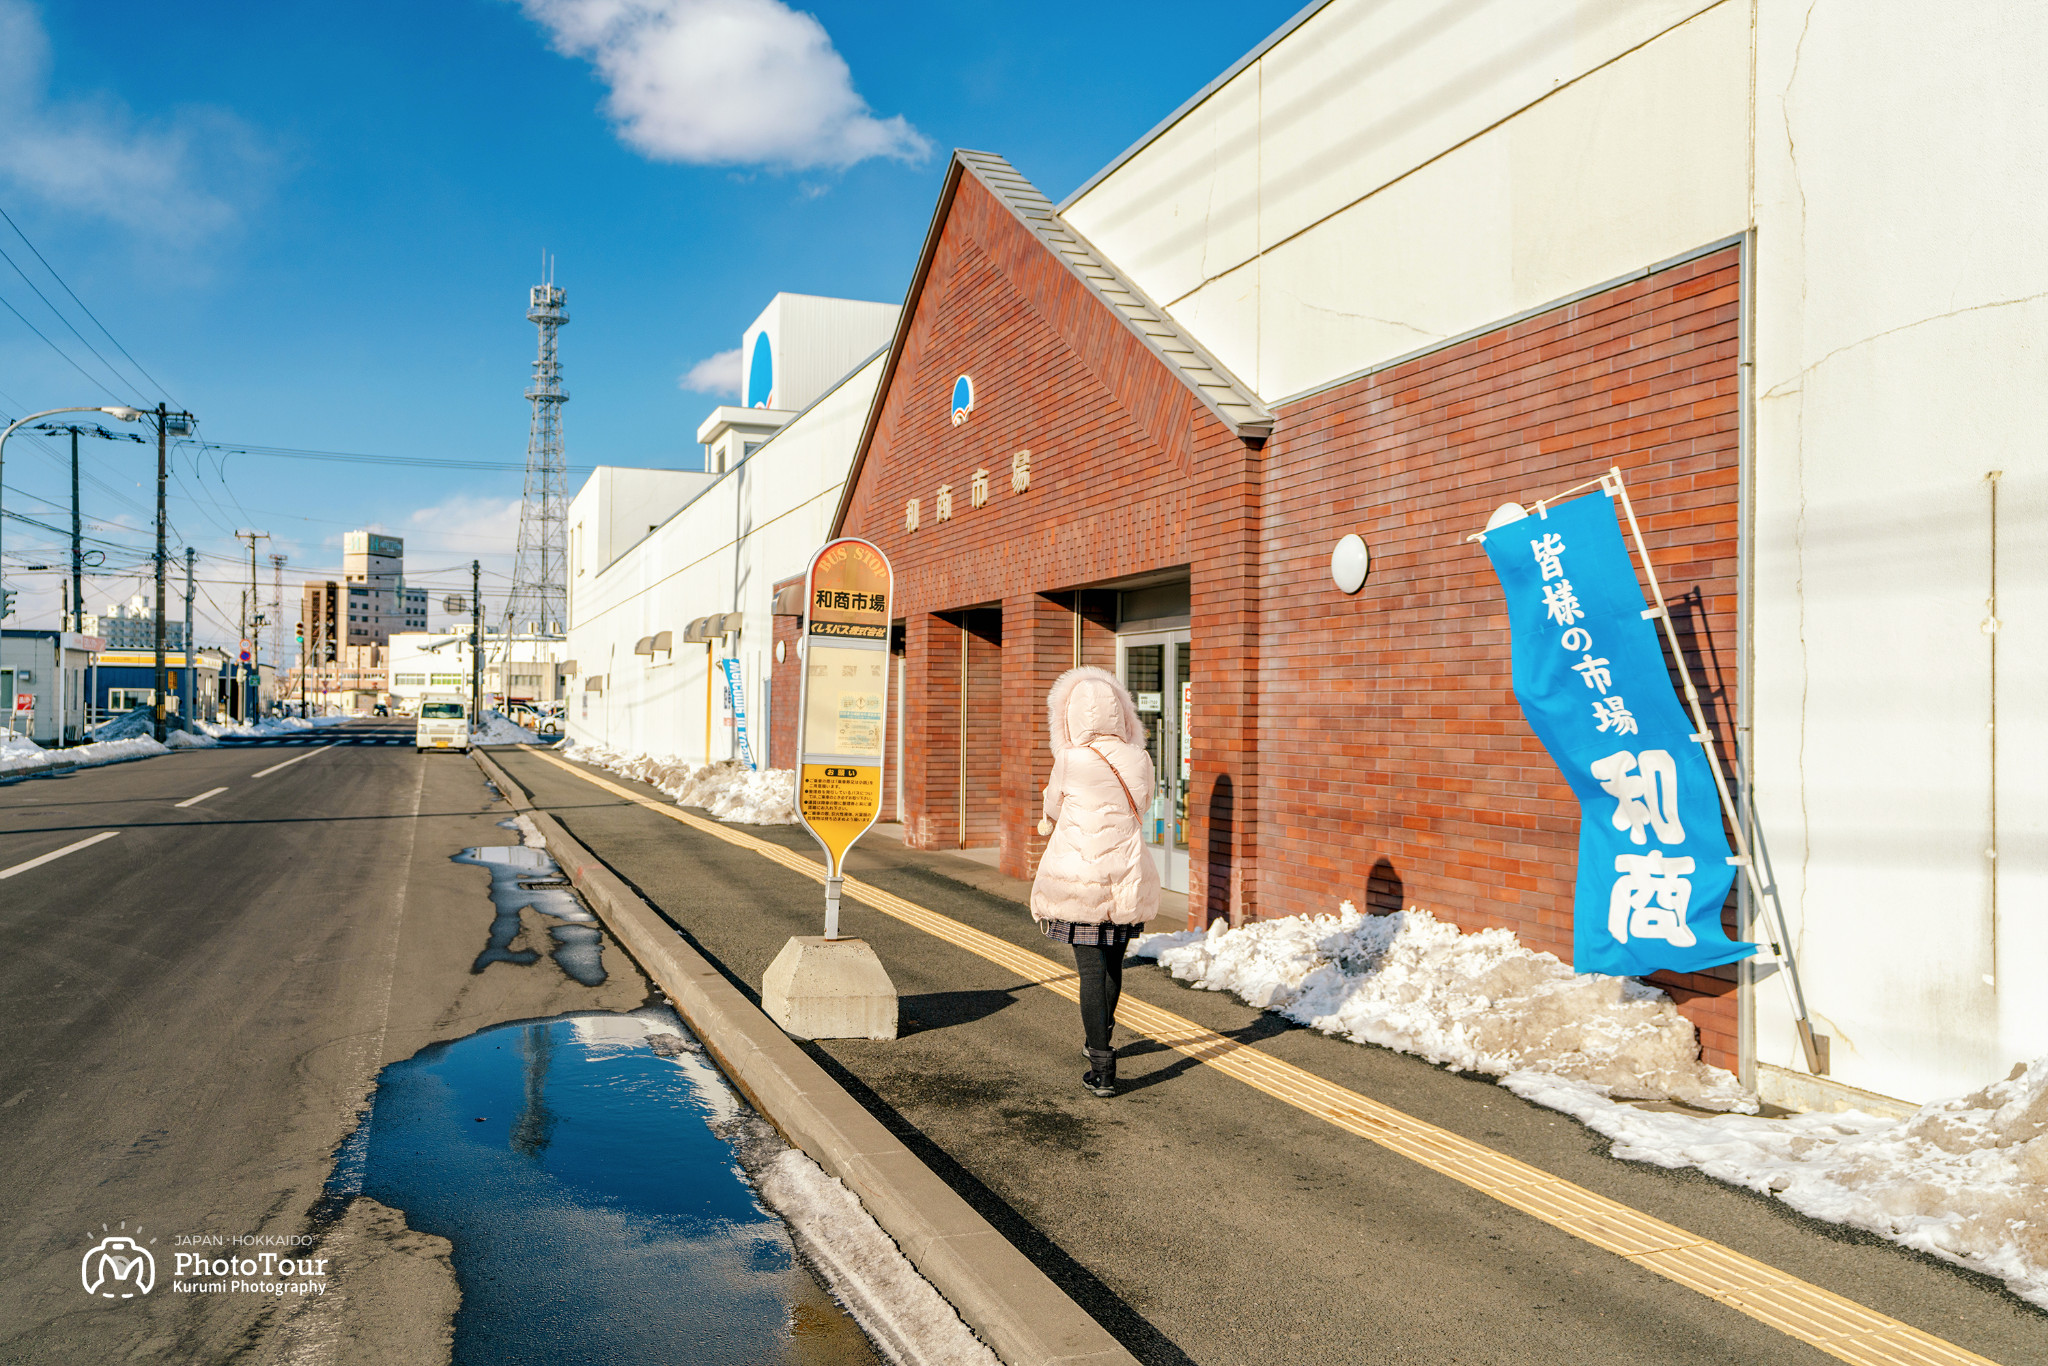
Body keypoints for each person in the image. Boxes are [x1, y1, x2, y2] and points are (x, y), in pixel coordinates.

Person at [1029, 665, 1161, 1097]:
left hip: (1078, 878)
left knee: (1089, 970)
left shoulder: (1069, 759)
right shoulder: (1139, 758)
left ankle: (1101, 1063)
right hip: (1124, 873)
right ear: (1120, 714)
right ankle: (1100, 1036)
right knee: (1112, 963)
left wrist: (1048, 822)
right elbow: (1145, 800)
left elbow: (1052, 803)